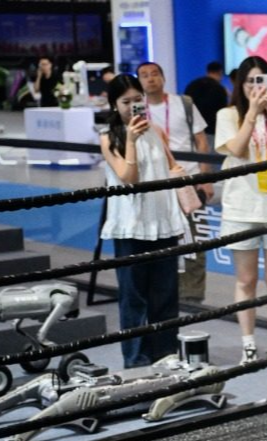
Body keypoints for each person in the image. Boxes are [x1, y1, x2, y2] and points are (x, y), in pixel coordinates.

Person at [215, 55, 267, 368]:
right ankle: (248, 345)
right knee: (246, 279)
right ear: (240, 84)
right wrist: (252, 112)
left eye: (260, 80)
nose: (255, 86)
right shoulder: (227, 115)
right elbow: (236, 149)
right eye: (250, 81)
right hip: (241, 207)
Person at [98, 74, 185, 368]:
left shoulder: (157, 131)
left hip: (163, 222)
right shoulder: (108, 138)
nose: (134, 106)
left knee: (166, 295)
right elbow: (128, 178)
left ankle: (166, 354)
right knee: (133, 298)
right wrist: (132, 140)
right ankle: (136, 360)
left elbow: (173, 167)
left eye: (138, 100)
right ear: (114, 104)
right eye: (126, 102)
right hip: (131, 227)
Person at [137, 61, 213, 304]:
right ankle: (161, 291)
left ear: (163, 77)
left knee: (195, 239)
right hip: (154, 183)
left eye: (154, 74)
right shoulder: (137, 109)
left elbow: (202, 142)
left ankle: (192, 294)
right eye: (144, 75)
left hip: (187, 179)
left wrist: (205, 178)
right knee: (157, 239)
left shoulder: (184, 103)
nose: (150, 79)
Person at [185, 61, 230, 151]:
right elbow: (222, 111)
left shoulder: (192, 85)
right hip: (212, 132)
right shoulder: (219, 89)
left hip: (193, 131)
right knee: (211, 157)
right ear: (220, 73)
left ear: (207, 71)